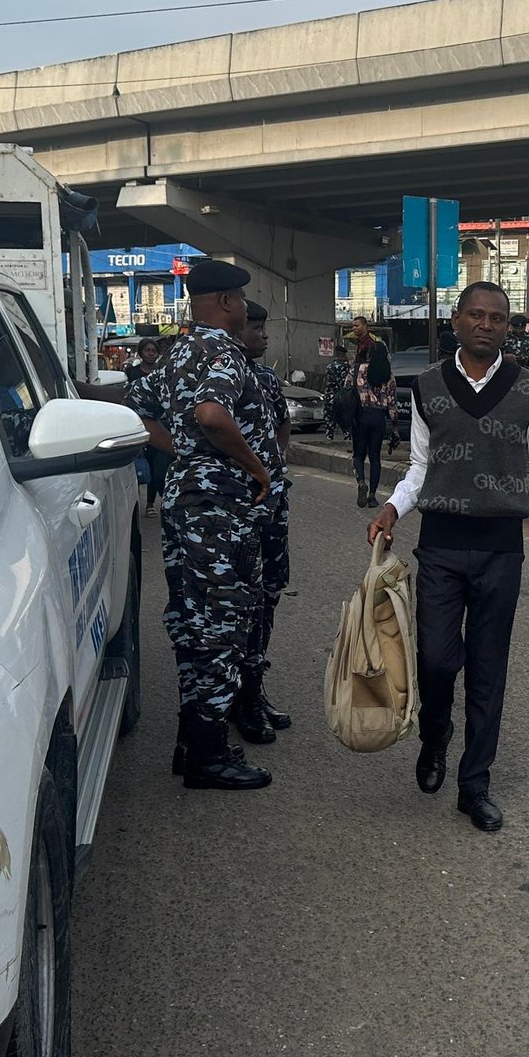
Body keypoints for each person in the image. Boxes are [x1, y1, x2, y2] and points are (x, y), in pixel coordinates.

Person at [368, 281, 529, 834]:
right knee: (436, 661)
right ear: (456, 321)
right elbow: (419, 466)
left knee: (488, 670)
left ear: (509, 327)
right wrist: (392, 508)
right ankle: (436, 735)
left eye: (498, 318)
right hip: (439, 546)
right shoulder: (427, 386)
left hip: (500, 552)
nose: (486, 324)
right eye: (476, 315)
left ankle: (474, 784)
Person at [127, 260, 274, 792]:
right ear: (229, 303)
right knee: (221, 626)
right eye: (239, 300)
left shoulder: (179, 352)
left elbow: (137, 413)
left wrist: (183, 451)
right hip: (219, 514)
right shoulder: (222, 352)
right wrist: (253, 467)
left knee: (193, 623)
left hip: (185, 507)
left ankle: (195, 742)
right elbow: (213, 415)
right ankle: (208, 758)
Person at [235, 301, 293, 744]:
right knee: (236, 606)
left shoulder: (268, 379)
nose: (264, 336)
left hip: (271, 509)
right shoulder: (215, 373)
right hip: (232, 513)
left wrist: (274, 468)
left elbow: (283, 428)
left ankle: (254, 692)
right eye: (256, 327)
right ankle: (236, 699)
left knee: (267, 597)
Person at [347, 317, 397, 507]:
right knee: (375, 457)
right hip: (378, 418)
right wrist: (394, 427)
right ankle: (373, 496)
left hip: (360, 416)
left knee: (358, 455)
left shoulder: (356, 370)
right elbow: (392, 402)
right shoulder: (388, 375)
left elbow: (347, 392)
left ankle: (361, 482)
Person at [132, 336, 168, 514]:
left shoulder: (162, 372)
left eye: (154, 351)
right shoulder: (132, 372)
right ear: (141, 353)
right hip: (137, 424)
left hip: (159, 425)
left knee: (157, 466)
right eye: (148, 351)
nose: (151, 354)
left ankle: (151, 504)